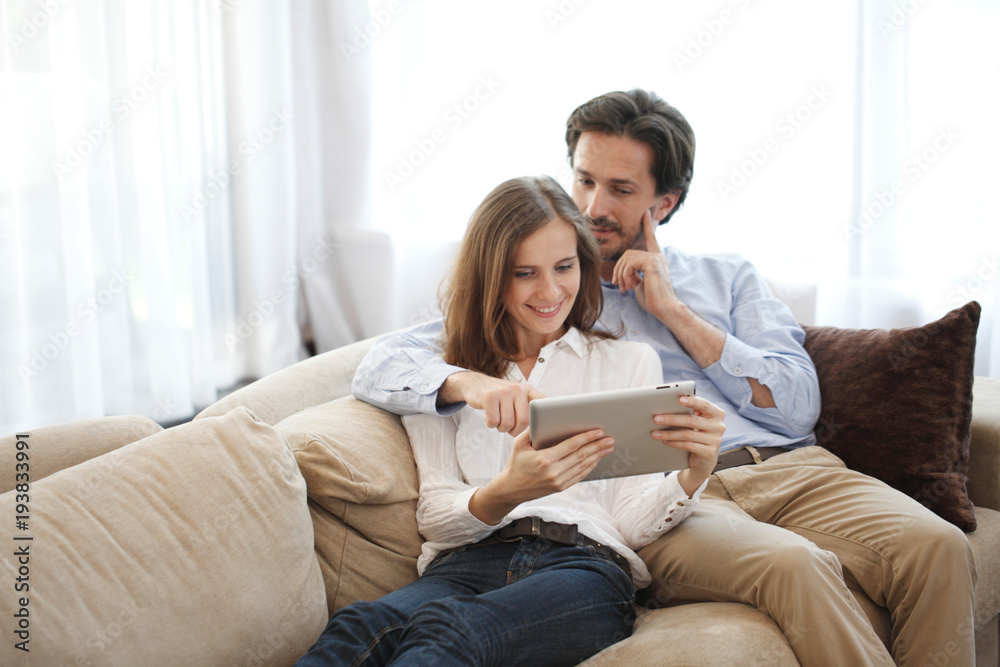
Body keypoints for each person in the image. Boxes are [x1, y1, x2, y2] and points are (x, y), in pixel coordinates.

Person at [351, 90, 976, 666]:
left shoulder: (724, 278)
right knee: (797, 566)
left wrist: (672, 311)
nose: (594, 207)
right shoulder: (547, 282)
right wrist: (474, 385)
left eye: (620, 188)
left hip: (789, 466)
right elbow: (386, 362)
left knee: (939, 548)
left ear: (664, 203)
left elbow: (797, 408)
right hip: (674, 495)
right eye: (585, 180)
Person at [297, 175, 726, 666]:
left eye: (564, 267)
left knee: (450, 633)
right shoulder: (441, 378)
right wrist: (506, 489)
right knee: (358, 628)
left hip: (582, 567)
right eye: (525, 273)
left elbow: (628, 520)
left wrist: (693, 474)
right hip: (465, 563)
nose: (550, 291)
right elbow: (436, 518)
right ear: (491, 276)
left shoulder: (630, 363)